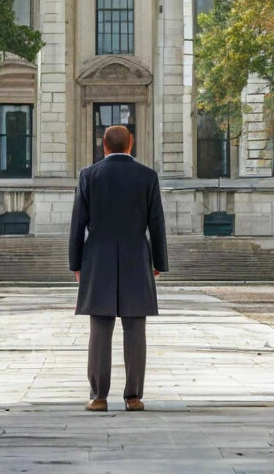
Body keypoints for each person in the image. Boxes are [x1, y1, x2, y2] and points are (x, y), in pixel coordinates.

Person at [69, 125, 168, 412]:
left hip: (97, 259)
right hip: (136, 257)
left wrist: (76, 264)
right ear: (130, 144)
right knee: (135, 329)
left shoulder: (89, 175)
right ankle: (133, 396)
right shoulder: (147, 176)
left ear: (104, 146)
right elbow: (156, 223)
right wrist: (159, 263)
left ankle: (99, 396)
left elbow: (78, 224)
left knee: (99, 329)